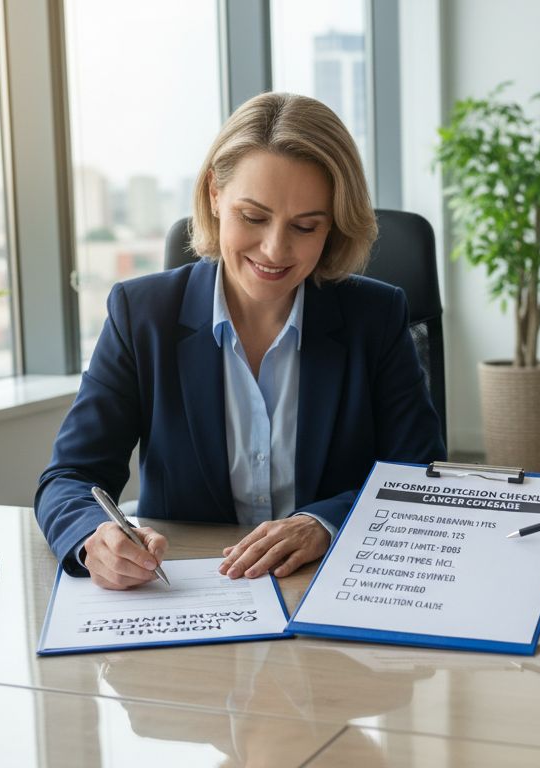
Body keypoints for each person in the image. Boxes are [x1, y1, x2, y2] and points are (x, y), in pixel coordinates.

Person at [35, 92, 445, 590]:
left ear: (333, 223)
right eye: (253, 217)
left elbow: (418, 475)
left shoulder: (376, 317)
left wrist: (324, 524)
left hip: (331, 586)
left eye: (305, 226)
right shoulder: (141, 315)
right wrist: (93, 537)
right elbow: (69, 478)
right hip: (189, 593)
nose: (275, 249)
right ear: (214, 194)